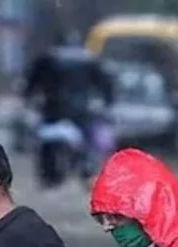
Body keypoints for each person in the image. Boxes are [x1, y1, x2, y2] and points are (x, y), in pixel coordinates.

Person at [24, 33, 115, 187]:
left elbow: (32, 82)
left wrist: (28, 98)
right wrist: (107, 102)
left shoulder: (47, 59)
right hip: (80, 109)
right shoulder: (88, 59)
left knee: (46, 140)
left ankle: (50, 174)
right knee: (86, 141)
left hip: (53, 107)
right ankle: (86, 168)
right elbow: (106, 84)